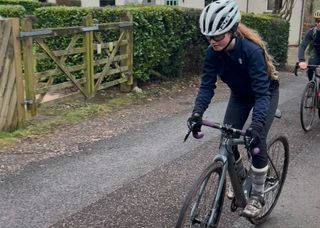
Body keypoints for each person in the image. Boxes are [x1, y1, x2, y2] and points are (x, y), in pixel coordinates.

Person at [187, 0, 279, 218]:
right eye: (208, 36)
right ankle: (240, 177)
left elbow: (261, 93)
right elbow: (207, 86)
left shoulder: (251, 51)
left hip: (264, 93)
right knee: (227, 139)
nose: (212, 41)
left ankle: (257, 195)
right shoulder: (212, 53)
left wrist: (256, 125)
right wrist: (197, 113)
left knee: (257, 138)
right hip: (240, 95)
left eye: (218, 36)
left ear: (232, 30)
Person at [298, 10, 320, 80]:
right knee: (311, 67)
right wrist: (301, 60)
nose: (319, 23)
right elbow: (303, 45)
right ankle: (311, 84)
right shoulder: (312, 32)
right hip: (317, 54)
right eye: (317, 21)